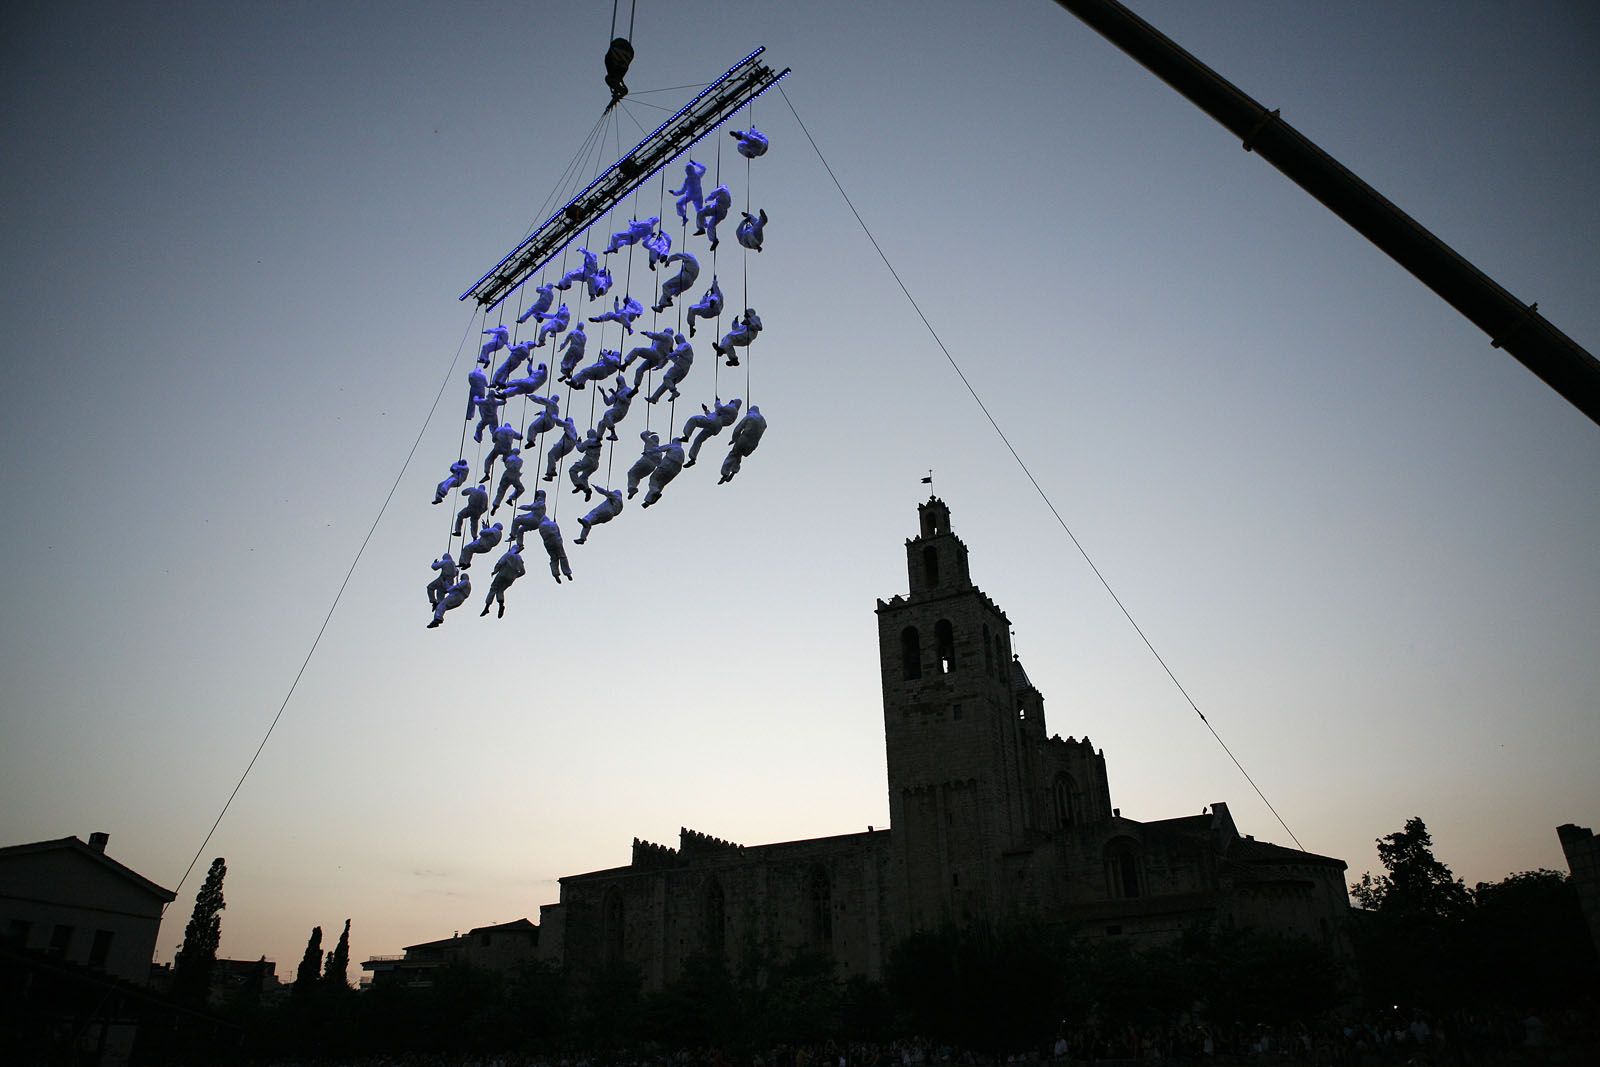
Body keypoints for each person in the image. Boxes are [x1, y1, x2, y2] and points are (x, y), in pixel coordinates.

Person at [678, 396, 741, 466]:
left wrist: (718, 401)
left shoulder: (732, 409)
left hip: (715, 422)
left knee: (694, 419)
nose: (730, 402)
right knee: (698, 440)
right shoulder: (725, 414)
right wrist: (706, 410)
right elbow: (712, 416)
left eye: (731, 401)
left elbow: (719, 408)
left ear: (734, 403)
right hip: (715, 426)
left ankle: (686, 436)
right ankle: (692, 458)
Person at [718, 405, 766, 483]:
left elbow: (738, 428)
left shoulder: (749, 416)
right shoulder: (764, 422)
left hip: (743, 440)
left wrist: (734, 439)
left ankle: (725, 473)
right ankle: (734, 472)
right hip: (752, 445)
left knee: (733, 455)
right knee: (738, 456)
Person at [480, 543, 525, 617]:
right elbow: (523, 572)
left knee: (493, 589)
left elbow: (500, 563)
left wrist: (495, 571)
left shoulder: (508, 554)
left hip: (502, 575)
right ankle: (501, 605)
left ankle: (487, 607)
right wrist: (514, 576)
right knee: (500, 590)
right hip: (510, 579)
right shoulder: (519, 559)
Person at [645, 335, 694, 403]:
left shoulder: (685, 345)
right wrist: (670, 354)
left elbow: (678, 352)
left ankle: (674, 391)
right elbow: (675, 358)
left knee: (666, 377)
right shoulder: (686, 351)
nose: (677, 343)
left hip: (680, 366)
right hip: (684, 369)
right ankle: (654, 398)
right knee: (666, 383)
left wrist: (669, 355)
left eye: (676, 341)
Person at [640, 439, 685, 507]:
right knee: (661, 484)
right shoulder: (682, 451)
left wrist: (648, 452)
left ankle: (654, 494)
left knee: (653, 479)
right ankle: (648, 501)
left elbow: (659, 449)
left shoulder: (673, 446)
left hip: (667, 464)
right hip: (676, 470)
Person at [595, 376, 638, 440]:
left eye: (618, 382)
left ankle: (613, 434)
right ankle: (598, 439)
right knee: (602, 423)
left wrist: (615, 394)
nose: (618, 383)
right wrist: (604, 395)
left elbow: (625, 399)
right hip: (615, 412)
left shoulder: (627, 390)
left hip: (621, 411)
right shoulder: (618, 391)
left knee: (607, 414)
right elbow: (608, 402)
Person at [568, 428, 603, 500]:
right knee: (583, 477)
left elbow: (580, 449)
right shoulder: (598, 442)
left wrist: (578, 442)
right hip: (595, 464)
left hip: (588, 461)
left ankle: (578, 484)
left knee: (572, 470)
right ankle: (587, 490)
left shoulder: (589, 441)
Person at [694, 185, 732, 250]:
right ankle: (713, 238)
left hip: (718, 209)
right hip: (720, 210)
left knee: (701, 213)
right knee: (710, 224)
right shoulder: (726, 193)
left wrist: (708, 198)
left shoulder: (723, 189)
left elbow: (714, 193)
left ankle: (702, 229)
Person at [626, 430, 662, 498]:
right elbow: (660, 463)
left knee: (631, 473)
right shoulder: (660, 451)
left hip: (645, 461)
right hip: (652, 467)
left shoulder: (650, 442)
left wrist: (649, 433)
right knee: (637, 476)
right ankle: (632, 488)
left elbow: (642, 435)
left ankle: (632, 488)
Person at [538, 515, 572, 583]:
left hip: (548, 544)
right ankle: (567, 573)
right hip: (556, 541)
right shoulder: (553, 524)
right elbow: (558, 532)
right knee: (562, 557)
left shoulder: (540, 527)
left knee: (553, 559)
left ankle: (555, 574)